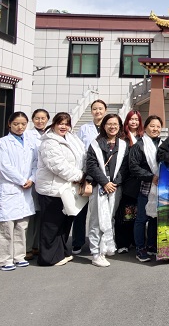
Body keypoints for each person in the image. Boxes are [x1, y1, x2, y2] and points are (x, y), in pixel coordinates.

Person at [36, 112, 87, 266]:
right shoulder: (49, 142)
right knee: (51, 225)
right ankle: (48, 258)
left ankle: (61, 252)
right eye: (60, 123)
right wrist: (80, 176)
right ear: (54, 124)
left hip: (67, 189)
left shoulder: (72, 138)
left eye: (66, 123)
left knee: (64, 223)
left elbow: (83, 156)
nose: (63, 126)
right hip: (52, 190)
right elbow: (58, 166)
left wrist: (83, 173)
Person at [0, 112, 37, 271]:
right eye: (16, 124)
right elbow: (4, 166)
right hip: (9, 187)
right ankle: (3, 259)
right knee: (5, 225)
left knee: (21, 225)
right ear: (9, 124)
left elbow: (36, 163)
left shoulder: (30, 142)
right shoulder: (3, 143)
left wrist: (32, 178)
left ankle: (18, 256)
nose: (20, 127)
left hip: (26, 188)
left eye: (23, 124)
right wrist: (22, 180)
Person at [85, 113, 130, 267]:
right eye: (109, 124)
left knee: (109, 217)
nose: (112, 127)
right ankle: (96, 253)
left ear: (120, 126)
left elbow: (125, 167)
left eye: (115, 124)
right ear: (104, 126)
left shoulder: (123, 145)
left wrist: (115, 183)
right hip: (99, 186)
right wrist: (105, 182)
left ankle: (105, 248)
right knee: (96, 220)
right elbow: (91, 165)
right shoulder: (95, 144)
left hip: (115, 187)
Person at [72, 99, 107, 255]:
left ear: (105, 110)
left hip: (104, 174)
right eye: (95, 109)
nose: (97, 111)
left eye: (100, 108)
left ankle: (101, 242)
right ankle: (77, 242)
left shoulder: (109, 126)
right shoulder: (84, 128)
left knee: (101, 211)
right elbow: (79, 150)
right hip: (87, 172)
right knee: (81, 209)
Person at [129, 115, 164, 262]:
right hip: (145, 186)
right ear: (145, 127)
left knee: (155, 218)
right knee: (142, 219)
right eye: (152, 126)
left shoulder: (163, 144)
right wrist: (150, 177)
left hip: (160, 187)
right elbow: (133, 166)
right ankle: (140, 248)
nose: (155, 129)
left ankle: (151, 245)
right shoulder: (139, 145)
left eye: (158, 126)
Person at [114, 110, 143, 254]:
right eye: (132, 119)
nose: (134, 122)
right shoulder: (122, 138)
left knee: (136, 213)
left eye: (137, 119)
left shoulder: (142, 137)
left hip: (140, 181)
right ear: (127, 121)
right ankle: (122, 242)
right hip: (127, 180)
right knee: (125, 212)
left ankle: (133, 239)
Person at [24, 108, 50, 261]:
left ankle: (37, 245)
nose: (40, 121)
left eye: (43, 118)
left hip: (45, 179)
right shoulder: (27, 135)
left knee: (42, 214)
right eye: (37, 118)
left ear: (47, 119)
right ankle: (27, 247)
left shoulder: (50, 134)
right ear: (32, 120)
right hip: (31, 179)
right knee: (31, 213)